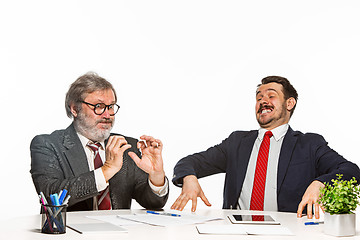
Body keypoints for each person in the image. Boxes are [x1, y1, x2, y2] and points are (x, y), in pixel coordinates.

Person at [171, 76, 360, 219]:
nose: (262, 101)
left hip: (287, 233)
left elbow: (351, 170)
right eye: (259, 97)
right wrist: (189, 177)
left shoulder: (309, 144)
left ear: (289, 103)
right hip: (235, 231)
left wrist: (320, 183)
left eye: (271, 95)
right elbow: (188, 162)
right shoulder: (237, 142)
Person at [30, 72, 168, 211]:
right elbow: (51, 195)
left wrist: (156, 176)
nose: (107, 115)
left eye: (110, 106)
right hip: (70, 231)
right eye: (98, 106)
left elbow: (154, 203)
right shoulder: (48, 145)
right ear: (74, 109)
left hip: (119, 231)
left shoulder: (126, 145)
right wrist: (106, 170)